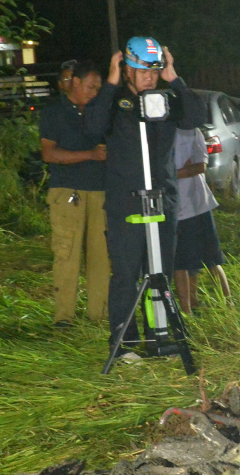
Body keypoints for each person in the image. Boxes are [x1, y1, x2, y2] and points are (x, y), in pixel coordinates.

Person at [84, 36, 208, 361]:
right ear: (127, 69)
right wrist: (111, 82)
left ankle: (160, 337)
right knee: (127, 275)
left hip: (162, 201)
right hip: (125, 204)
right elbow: (93, 127)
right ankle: (126, 343)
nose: (148, 78)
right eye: (142, 71)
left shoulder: (166, 100)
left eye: (153, 71)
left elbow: (195, 117)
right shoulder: (114, 101)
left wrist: (174, 79)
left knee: (161, 273)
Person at [40, 60, 109, 327]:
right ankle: (64, 317)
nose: (94, 92)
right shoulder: (55, 112)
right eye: (91, 86)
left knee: (101, 256)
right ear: (75, 83)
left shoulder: (100, 112)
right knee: (66, 254)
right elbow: (49, 154)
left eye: (98, 88)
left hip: (100, 191)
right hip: (67, 191)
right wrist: (89, 155)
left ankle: (99, 315)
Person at [170, 126, 231, 315]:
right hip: (174, 207)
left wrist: (170, 173)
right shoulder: (155, 129)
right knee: (180, 262)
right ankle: (188, 309)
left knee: (211, 258)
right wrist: (182, 171)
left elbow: (200, 166)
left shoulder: (191, 130)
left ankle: (229, 304)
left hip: (198, 203)